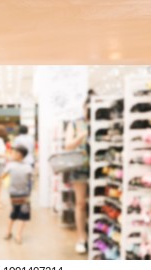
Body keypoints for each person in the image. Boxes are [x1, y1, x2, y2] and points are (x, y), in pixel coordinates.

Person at [64, 89, 94, 254]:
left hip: (102, 167)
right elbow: (68, 145)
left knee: (98, 202)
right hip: (80, 167)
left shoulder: (104, 121)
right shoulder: (75, 123)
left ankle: (96, 236)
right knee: (81, 203)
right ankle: (82, 238)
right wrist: (81, 136)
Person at [2, 145, 33, 244]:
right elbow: (31, 180)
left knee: (13, 213)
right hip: (24, 195)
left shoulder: (10, 165)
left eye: (13, 153)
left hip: (13, 194)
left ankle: (8, 232)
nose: (11, 154)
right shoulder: (28, 167)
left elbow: (3, 176)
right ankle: (18, 235)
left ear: (19, 155)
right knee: (23, 215)